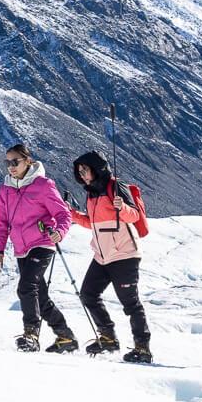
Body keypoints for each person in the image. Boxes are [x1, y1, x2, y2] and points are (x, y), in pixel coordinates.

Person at [69, 151, 152, 363]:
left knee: (130, 303)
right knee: (88, 294)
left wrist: (122, 207)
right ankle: (108, 338)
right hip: (102, 255)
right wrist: (73, 214)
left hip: (124, 254)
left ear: (96, 168)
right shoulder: (91, 193)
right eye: (80, 172)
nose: (82, 175)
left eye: (85, 170)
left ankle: (142, 348)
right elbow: (93, 223)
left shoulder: (115, 186)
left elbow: (133, 215)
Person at [0, 145, 75, 353]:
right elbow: (2, 222)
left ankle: (31, 336)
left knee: (26, 287)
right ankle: (66, 337)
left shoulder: (43, 185)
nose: (11, 167)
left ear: (27, 161)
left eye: (15, 162)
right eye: (7, 162)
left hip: (42, 243)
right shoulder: (6, 189)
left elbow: (64, 215)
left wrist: (60, 232)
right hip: (21, 247)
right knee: (40, 297)